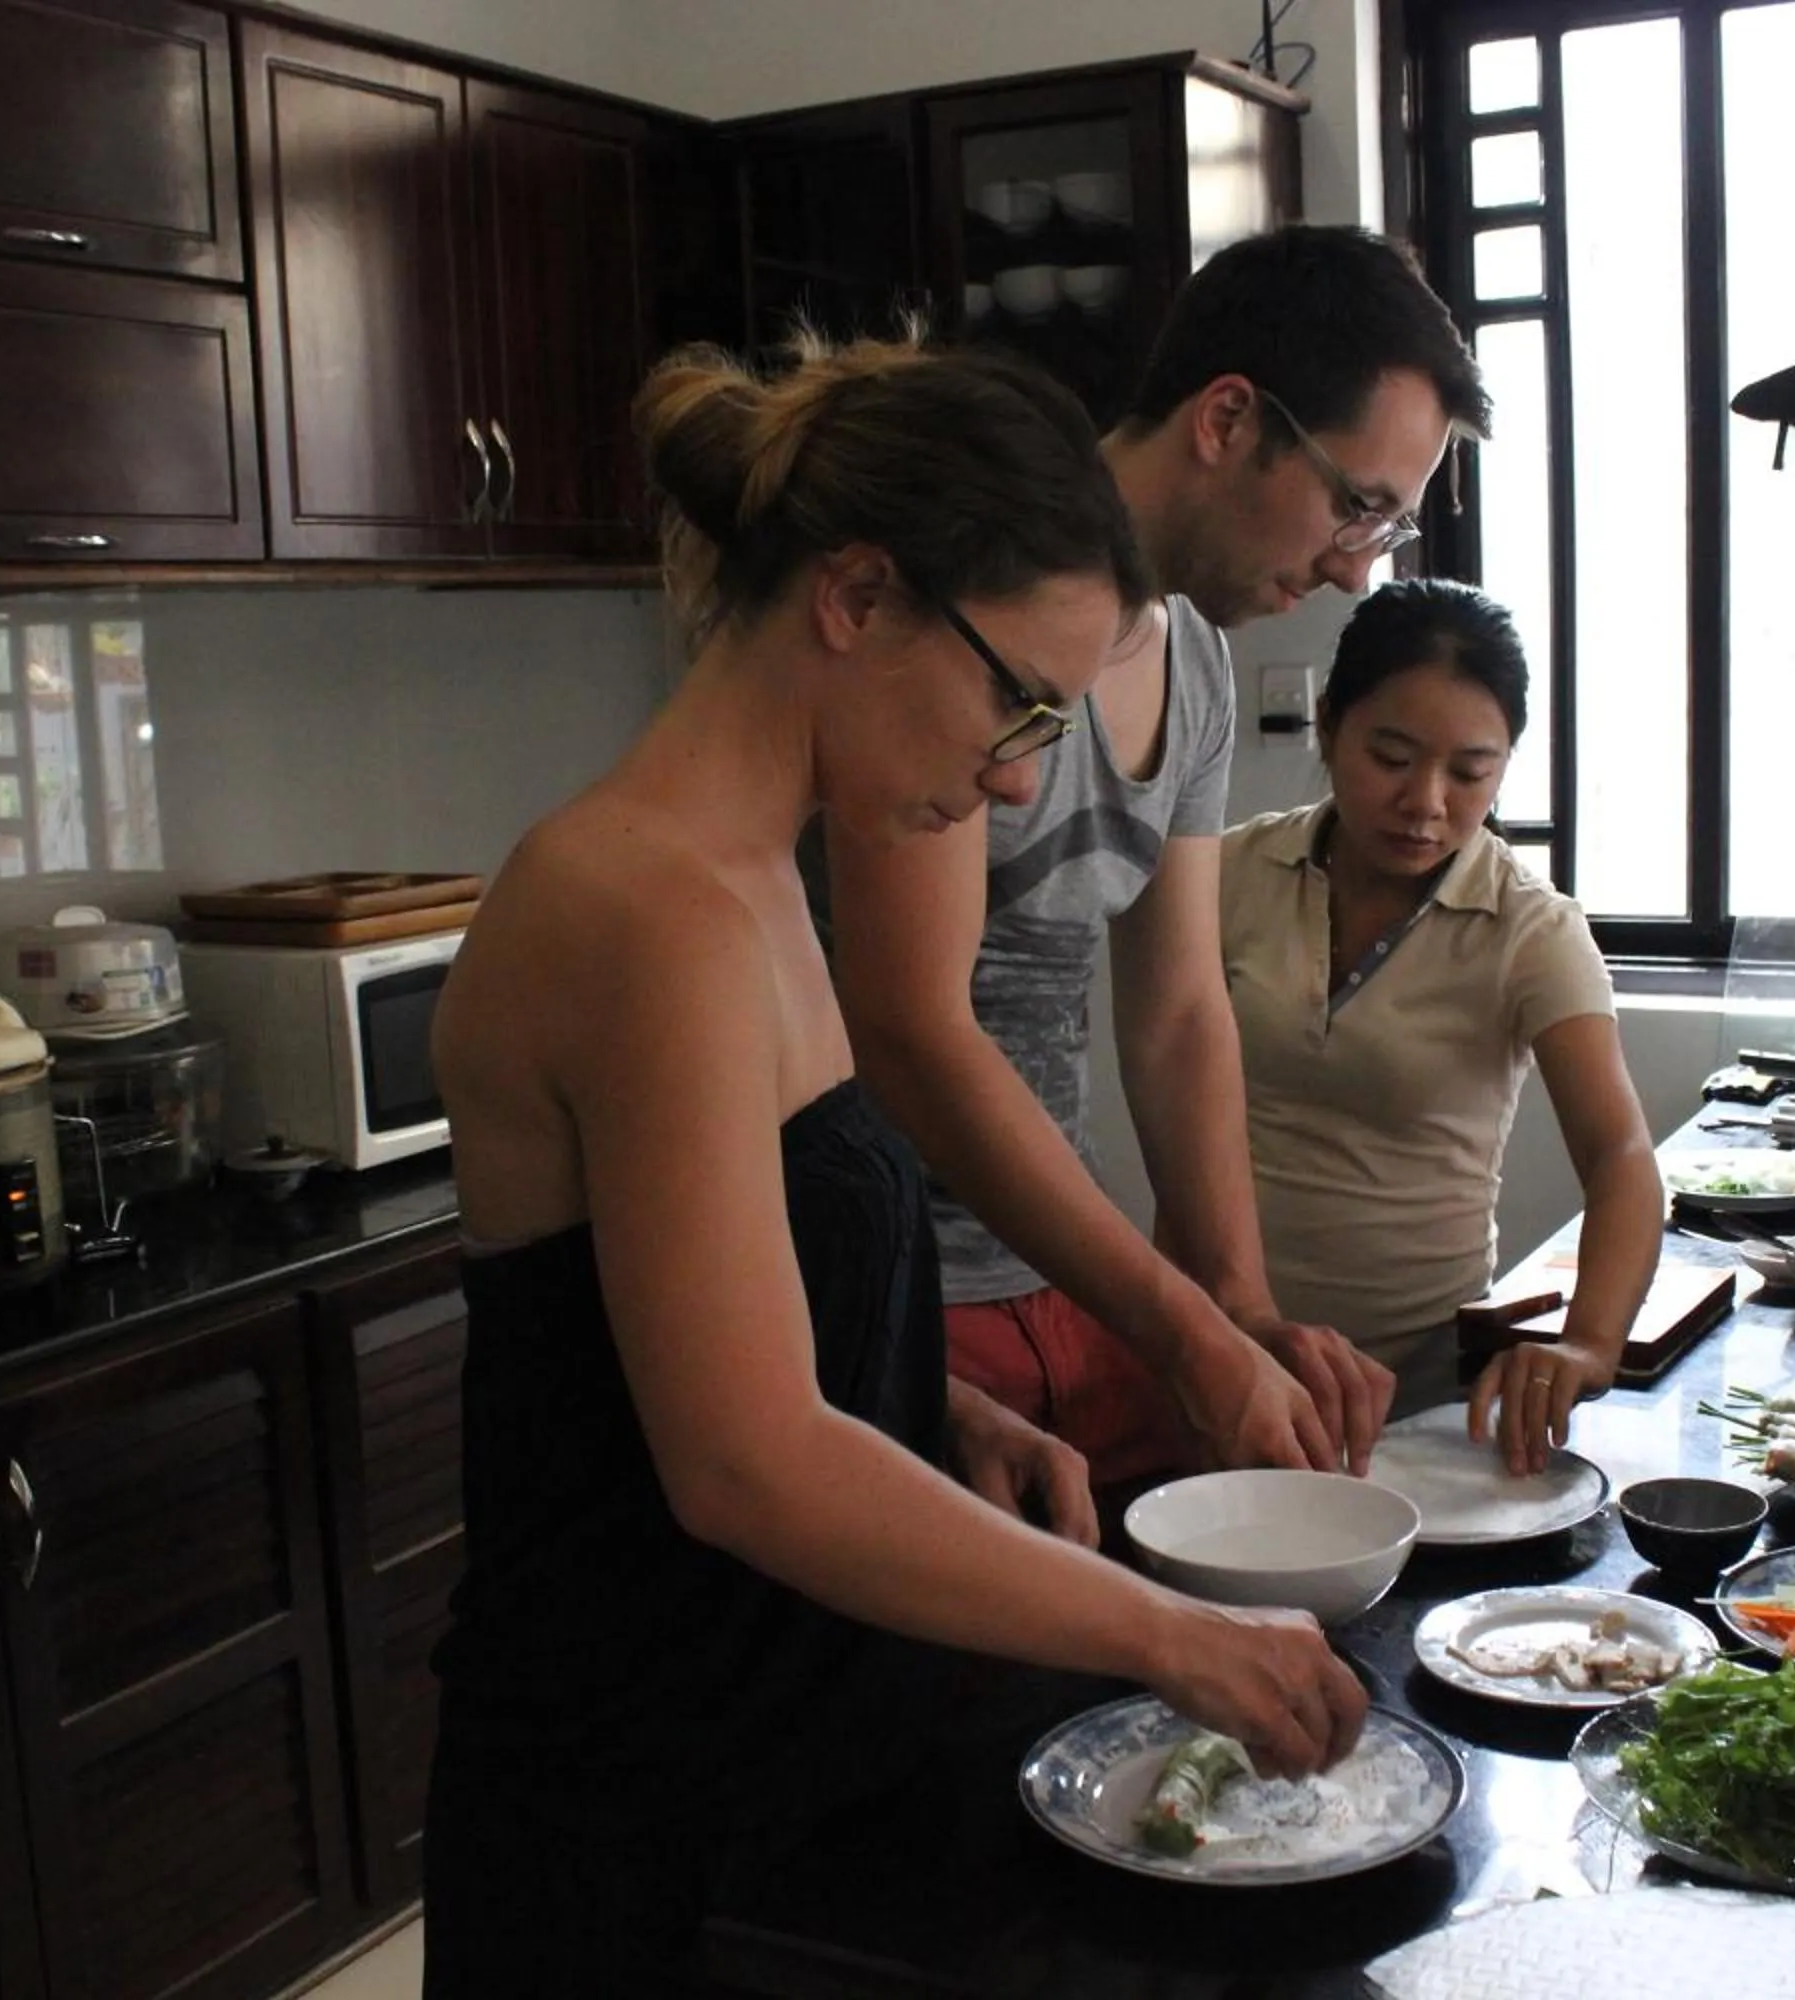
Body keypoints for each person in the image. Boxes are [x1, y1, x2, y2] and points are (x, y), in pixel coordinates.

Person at [420, 330, 1367, 1996]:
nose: (1015, 774)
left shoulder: (759, 885)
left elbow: (704, 1309)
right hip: (634, 1799)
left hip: (785, 1750)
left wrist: (927, 1400)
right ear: (856, 599)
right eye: (1016, 702)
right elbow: (743, 1463)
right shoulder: (642, 910)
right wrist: (1169, 1633)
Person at [817, 226, 1489, 1496]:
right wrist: (1176, 1322)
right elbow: (911, 1025)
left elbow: (1178, 1011)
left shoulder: (1193, 658)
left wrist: (1232, 1299)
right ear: (1229, 419)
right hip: (885, 1294)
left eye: (1387, 526)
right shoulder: (979, 608)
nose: (1356, 567)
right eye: (1357, 505)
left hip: (1050, 1274)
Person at [1220, 580, 1664, 1474]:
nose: (1426, 802)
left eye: (1470, 772)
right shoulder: (1231, 870)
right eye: (1391, 756)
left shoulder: (1530, 926)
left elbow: (1621, 1160)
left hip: (1415, 1395)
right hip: (1221, 1356)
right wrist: (1214, 1328)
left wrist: (1588, 1343)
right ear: (1327, 724)